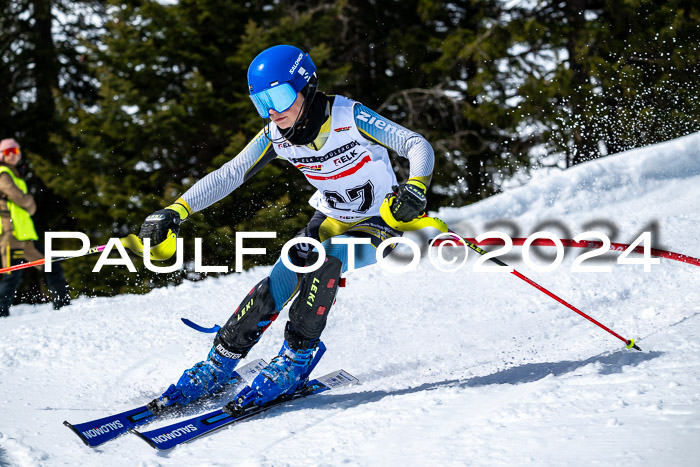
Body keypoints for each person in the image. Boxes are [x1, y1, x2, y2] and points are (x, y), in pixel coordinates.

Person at [138, 45, 434, 411]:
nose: (274, 112)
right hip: (328, 218)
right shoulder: (276, 135)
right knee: (280, 277)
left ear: (306, 87)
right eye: (262, 103)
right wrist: (175, 210)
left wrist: (416, 186)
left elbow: (414, 143)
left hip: (380, 223)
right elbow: (231, 173)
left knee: (324, 260)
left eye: (279, 97)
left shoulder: (348, 115)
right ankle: (219, 363)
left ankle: (295, 361)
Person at [0, 138, 71, 317]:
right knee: (12, 276)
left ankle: (63, 306)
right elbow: (21, 199)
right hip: (11, 236)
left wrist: (28, 204)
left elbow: (25, 204)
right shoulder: (3, 174)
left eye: (15, 151)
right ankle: (1, 313)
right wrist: (29, 202)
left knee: (51, 264)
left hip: (24, 237)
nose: (12, 155)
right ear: (1, 155)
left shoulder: (15, 174)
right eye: (8, 152)